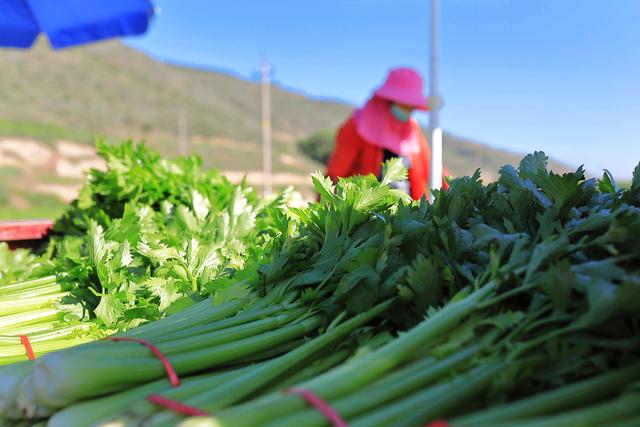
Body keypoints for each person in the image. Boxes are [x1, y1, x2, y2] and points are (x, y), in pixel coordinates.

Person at [326, 67, 450, 200]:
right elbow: (336, 173)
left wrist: (457, 191)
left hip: (407, 211)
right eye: (404, 105)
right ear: (388, 101)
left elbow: (435, 169)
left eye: (411, 107)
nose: (408, 111)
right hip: (366, 208)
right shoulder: (358, 126)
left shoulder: (413, 131)